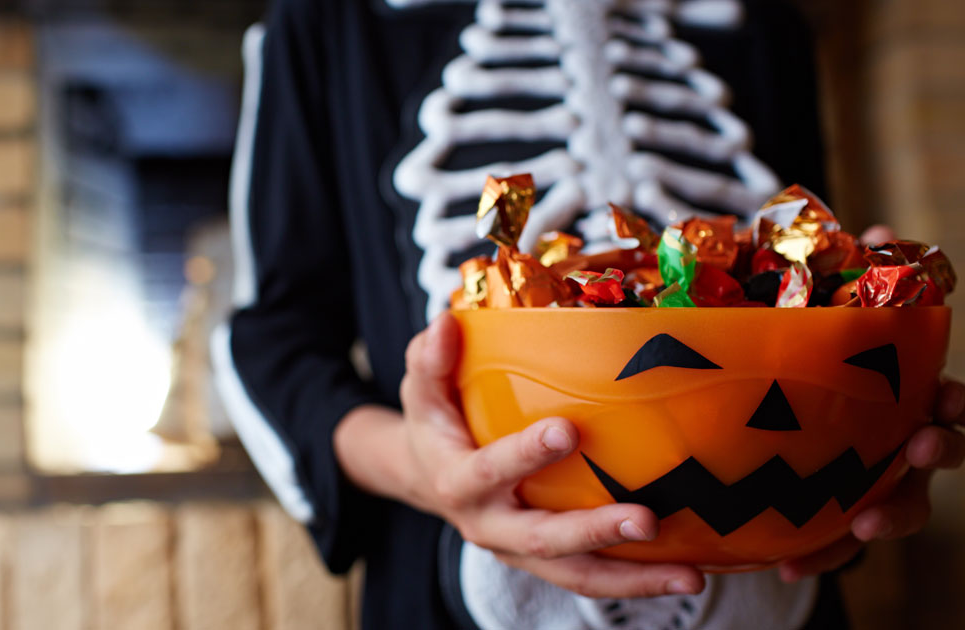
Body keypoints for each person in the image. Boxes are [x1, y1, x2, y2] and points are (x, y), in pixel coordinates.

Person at [214, 1, 965, 628]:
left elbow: (805, 282)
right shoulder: (329, 24)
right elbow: (273, 342)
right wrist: (419, 467)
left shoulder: (762, 24)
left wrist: (871, 434)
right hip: (447, 595)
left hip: (778, 583)